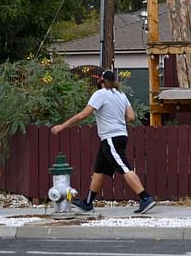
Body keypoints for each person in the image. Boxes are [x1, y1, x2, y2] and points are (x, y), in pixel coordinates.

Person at [51, 70, 156, 215]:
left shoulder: (100, 94)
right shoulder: (121, 95)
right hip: (118, 136)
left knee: (124, 168)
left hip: (111, 137)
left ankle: (145, 198)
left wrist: (62, 126)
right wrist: (117, 119)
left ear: (101, 81)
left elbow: (83, 114)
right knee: (98, 170)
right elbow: (131, 117)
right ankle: (87, 203)